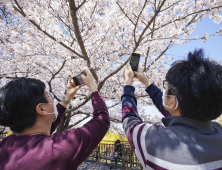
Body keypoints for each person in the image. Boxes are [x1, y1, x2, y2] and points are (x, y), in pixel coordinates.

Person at [121, 49, 222, 169]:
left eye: (167, 86)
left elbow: (129, 120)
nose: (165, 90)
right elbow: (175, 110)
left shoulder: (153, 142)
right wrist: (146, 81)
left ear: (173, 102)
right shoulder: (218, 131)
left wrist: (128, 84)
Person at [0, 69, 110, 170]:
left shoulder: (5, 144)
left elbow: (47, 126)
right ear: (41, 108)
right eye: (48, 96)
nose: (53, 101)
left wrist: (67, 97)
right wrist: (93, 87)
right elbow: (102, 120)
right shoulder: (60, 148)